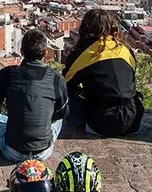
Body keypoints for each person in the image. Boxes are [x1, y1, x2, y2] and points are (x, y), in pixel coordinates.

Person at [0, 29, 68, 162]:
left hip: (13, 150)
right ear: (44, 53)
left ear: (21, 52)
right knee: (59, 120)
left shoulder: (7, 74)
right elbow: (62, 113)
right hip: (43, 151)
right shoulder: (57, 78)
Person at [61, 9, 143, 137]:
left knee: (70, 99)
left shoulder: (85, 53)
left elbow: (65, 85)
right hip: (133, 118)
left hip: (101, 121)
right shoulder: (125, 50)